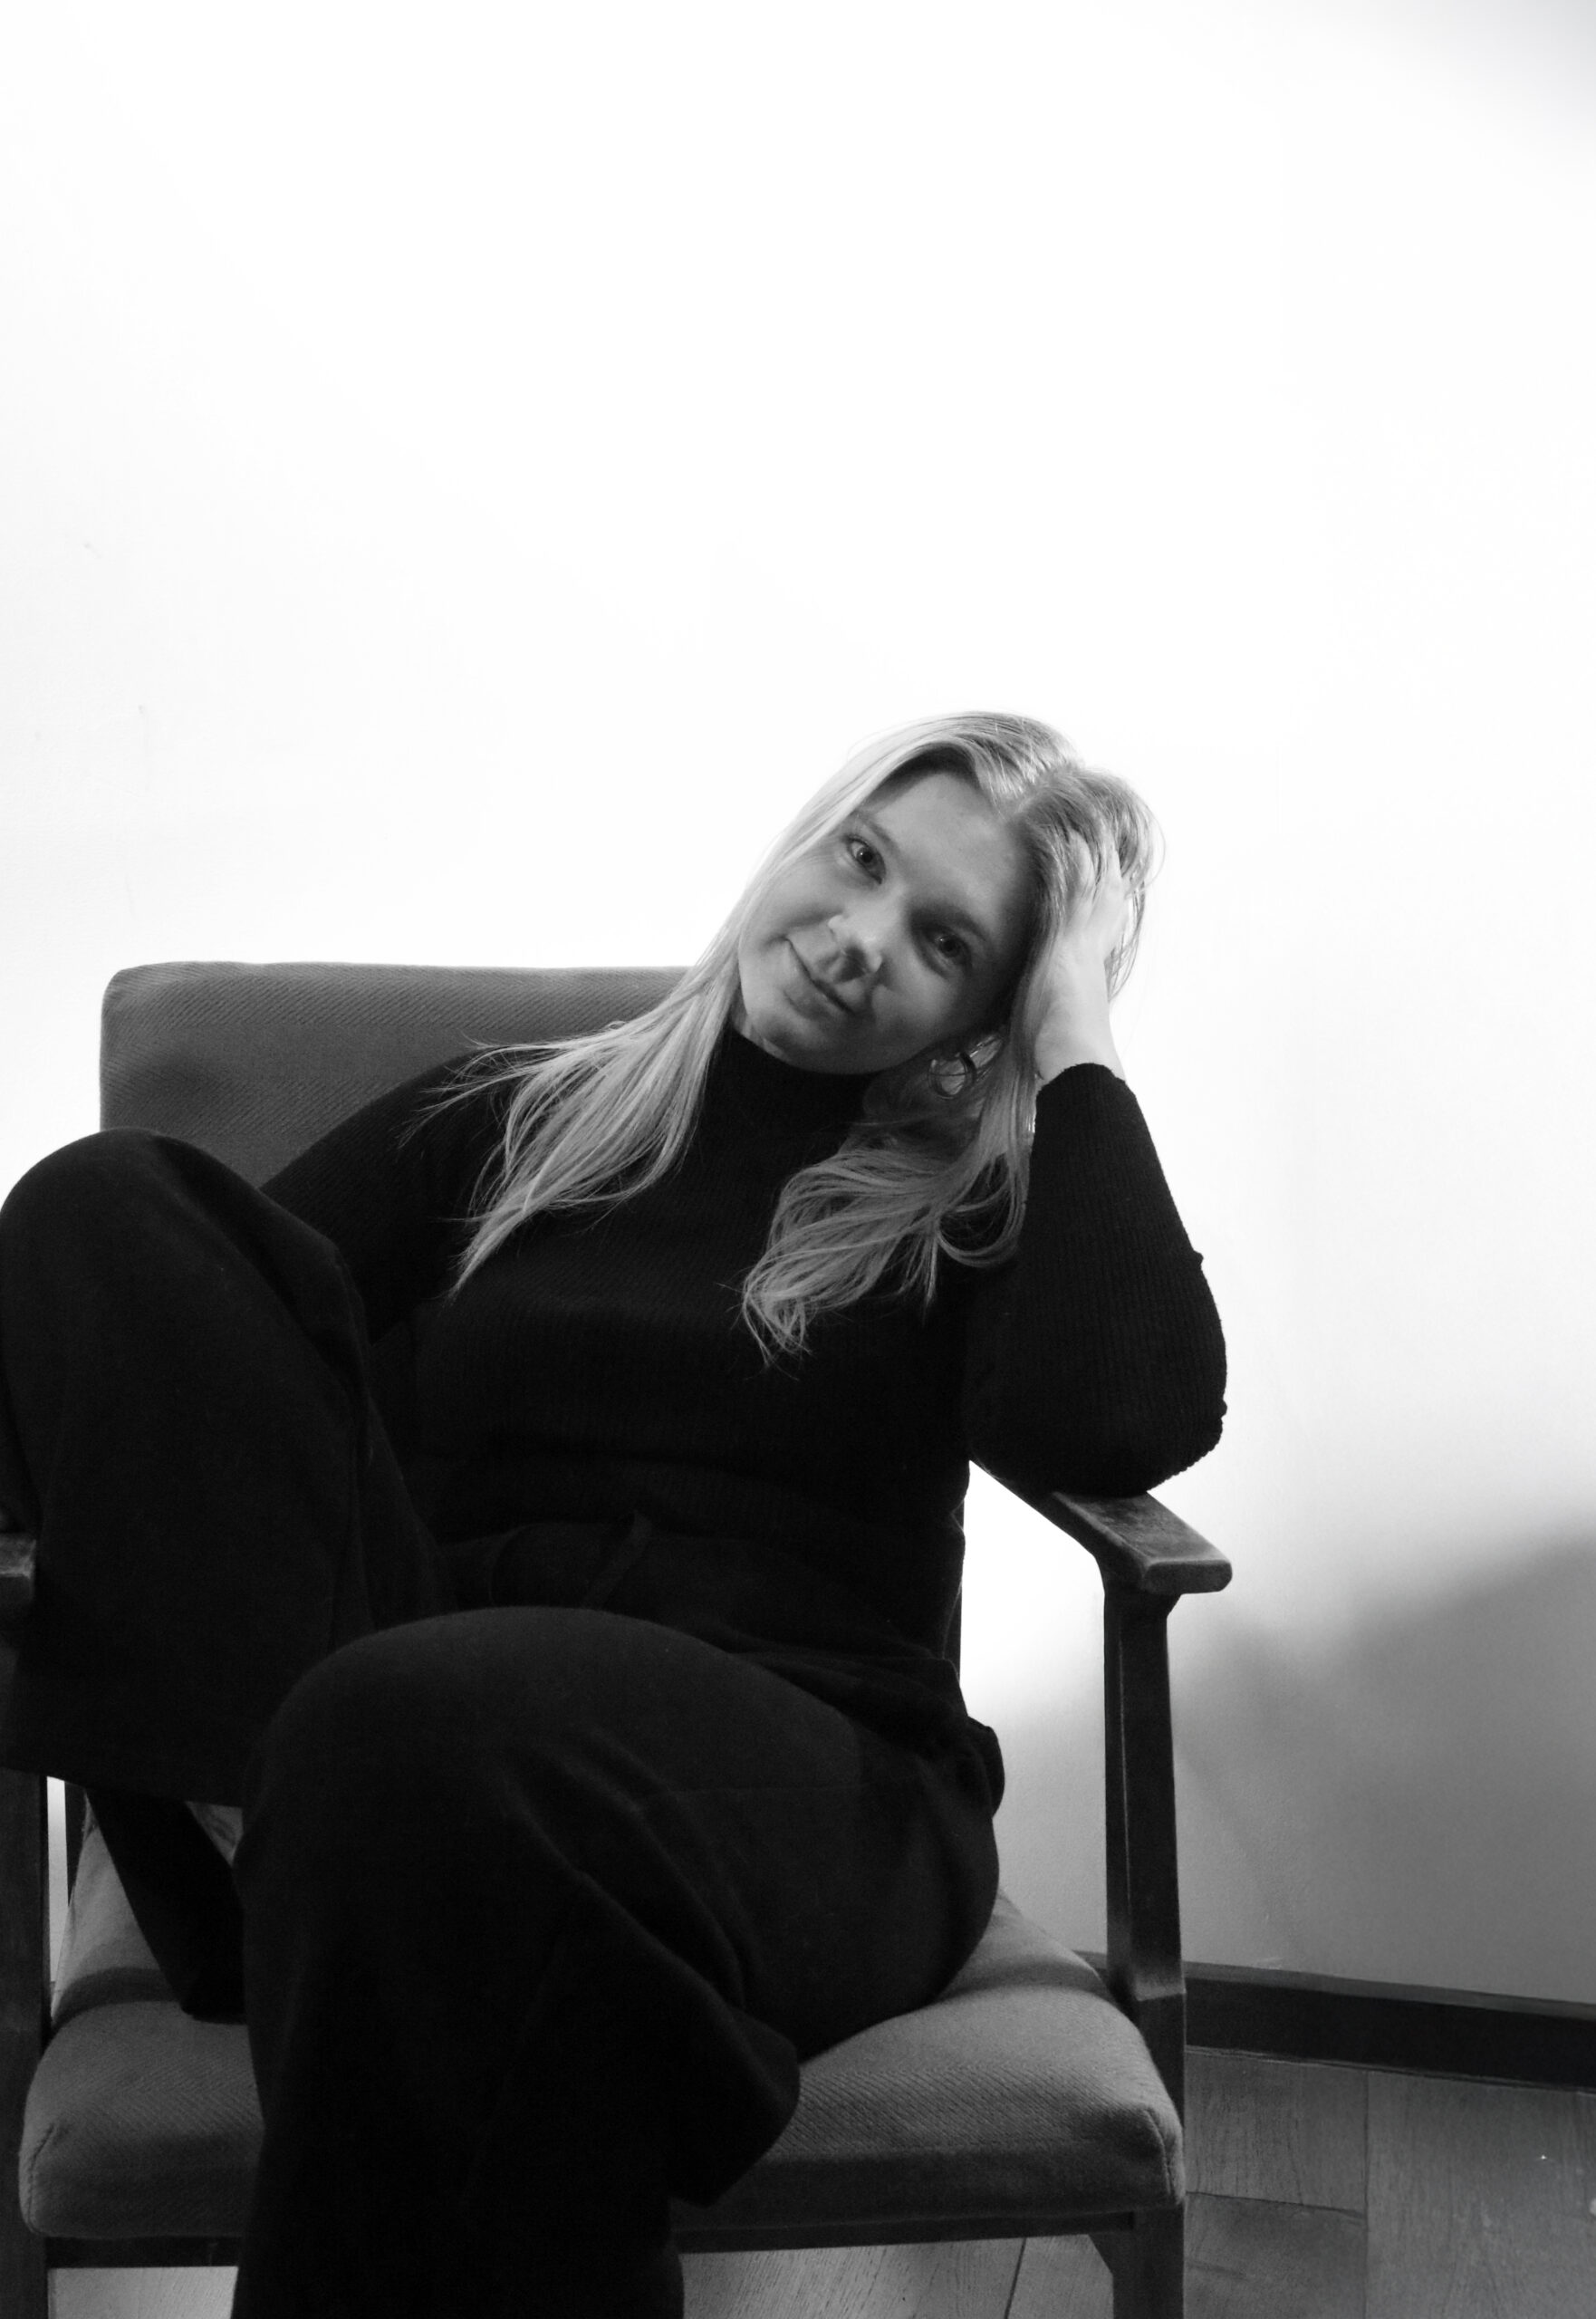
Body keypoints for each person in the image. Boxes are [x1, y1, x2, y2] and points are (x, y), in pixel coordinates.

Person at [0, 711, 1226, 2317]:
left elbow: (1125, 1415)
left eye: (945, 942)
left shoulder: (975, 1202)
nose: (860, 940)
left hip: (801, 1778)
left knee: (410, 1746)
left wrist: (1072, 1034)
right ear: (804, 840)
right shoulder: (521, 1112)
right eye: (860, 859)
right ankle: (294, 1827)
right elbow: (196, 1340)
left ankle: (323, 1858)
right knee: (106, 1206)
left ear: (984, 1015)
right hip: (406, 1725)